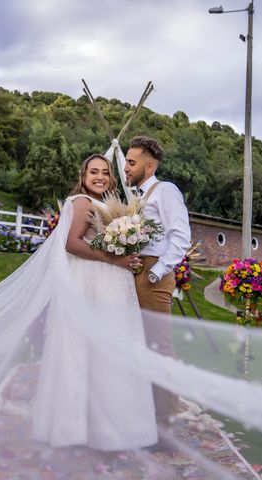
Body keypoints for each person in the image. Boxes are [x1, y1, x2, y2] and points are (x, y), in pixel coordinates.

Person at [31, 153, 158, 450]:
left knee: (110, 351)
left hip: (110, 283)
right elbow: (70, 243)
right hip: (92, 283)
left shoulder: (105, 204)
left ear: (111, 177)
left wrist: (126, 251)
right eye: (94, 172)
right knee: (89, 349)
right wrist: (115, 259)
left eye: (105, 172)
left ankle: (110, 425)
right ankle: (78, 427)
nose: (100, 177)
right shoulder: (80, 202)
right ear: (83, 175)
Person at [124, 136, 191, 440]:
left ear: (149, 166)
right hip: (135, 270)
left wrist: (157, 271)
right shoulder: (134, 196)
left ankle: (164, 426)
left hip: (154, 273)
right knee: (137, 343)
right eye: (126, 160)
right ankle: (141, 414)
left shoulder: (166, 191)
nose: (125, 166)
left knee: (159, 347)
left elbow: (180, 237)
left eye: (131, 162)